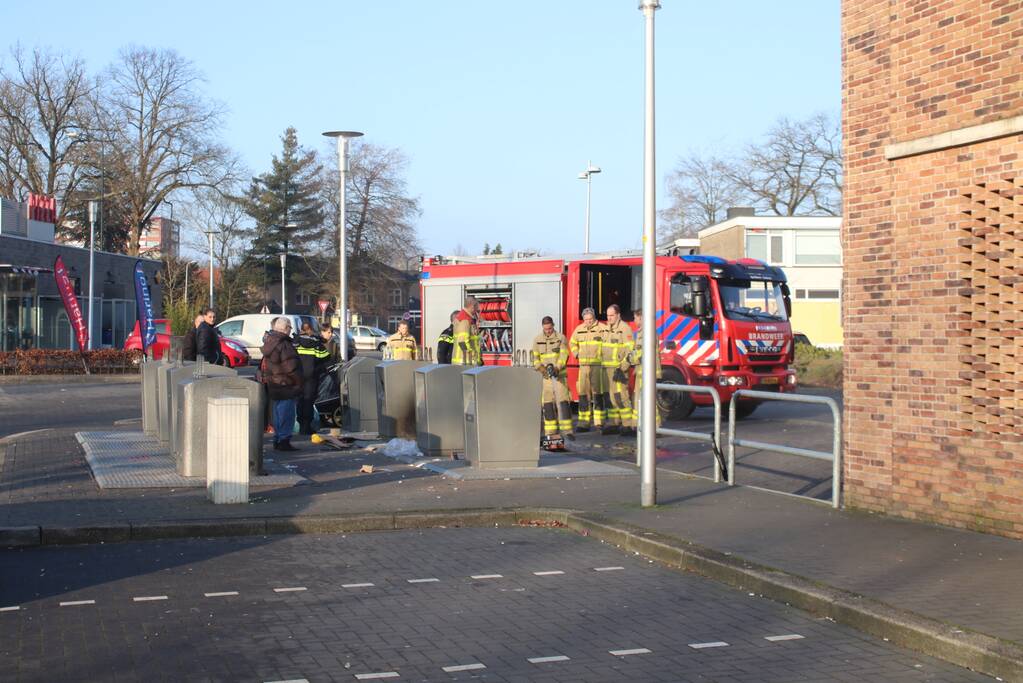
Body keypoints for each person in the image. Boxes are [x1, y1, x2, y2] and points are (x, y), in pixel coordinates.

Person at [259, 317, 303, 451]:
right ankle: (284, 440)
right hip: (286, 383)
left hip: (274, 382)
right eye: (289, 328)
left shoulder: (270, 341)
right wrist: (298, 381)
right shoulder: (283, 344)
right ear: (285, 329)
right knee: (286, 413)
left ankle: (278, 438)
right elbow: (291, 366)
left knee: (277, 411)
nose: (290, 330)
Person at [532, 316, 574, 442]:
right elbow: (535, 358)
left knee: (563, 403)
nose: (548, 331)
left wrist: (557, 368)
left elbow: (563, 355)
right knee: (548, 404)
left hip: (559, 376)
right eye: (546, 329)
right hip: (545, 378)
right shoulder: (537, 340)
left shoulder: (561, 338)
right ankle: (550, 432)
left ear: (553, 325)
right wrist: (541, 369)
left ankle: (567, 431)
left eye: (550, 328)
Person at [569, 307, 608, 431]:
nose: (588, 321)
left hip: (597, 366)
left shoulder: (602, 328)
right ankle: (584, 422)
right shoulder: (579, 329)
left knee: (597, 394)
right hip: (583, 367)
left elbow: (608, 345)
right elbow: (572, 343)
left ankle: (599, 422)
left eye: (590, 319)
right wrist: (576, 354)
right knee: (583, 394)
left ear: (594, 317)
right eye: (586, 319)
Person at [603, 304, 635, 436]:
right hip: (608, 368)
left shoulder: (625, 329)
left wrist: (622, 368)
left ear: (618, 315)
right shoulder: (607, 329)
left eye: (611, 315)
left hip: (619, 370)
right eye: (608, 315)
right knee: (612, 397)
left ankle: (627, 424)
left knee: (621, 396)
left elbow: (630, 351)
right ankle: (615, 423)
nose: (609, 318)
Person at [629, 308, 662, 429]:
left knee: (648, 399)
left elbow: (642, 352)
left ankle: (655, 427)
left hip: (647, 372)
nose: (634, 320)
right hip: (642, 371)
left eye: (635, 318)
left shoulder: (647, 332)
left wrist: (630, 359)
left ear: (641, 318)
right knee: (639, 398)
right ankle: (638, 426)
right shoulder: (643, 332)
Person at [295, 322, 330, 435]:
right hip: (311, 377)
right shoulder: (316, 343)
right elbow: (326, 357)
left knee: (300, 400)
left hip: (298, 377)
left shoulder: (295, 343)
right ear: (311, 330)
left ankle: (300, 425)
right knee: (309, 401)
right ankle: (307, 426)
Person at [452, 296, 482, 366]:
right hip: (466, 363)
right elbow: (463, 342)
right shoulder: (465, 320)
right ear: (472, 306)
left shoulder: (465, 318)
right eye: (477, 306)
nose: (478, 309)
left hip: (465, 362)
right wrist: (473, 357)